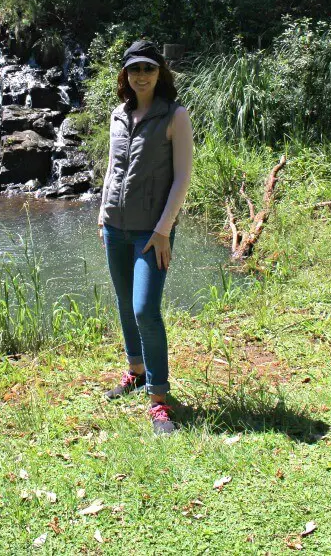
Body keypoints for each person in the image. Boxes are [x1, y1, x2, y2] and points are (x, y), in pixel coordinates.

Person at [97, 40, 193, 435]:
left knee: (144, 309)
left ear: (160, 73)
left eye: (148, 69)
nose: (141, 76)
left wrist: (163, 230)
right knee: (123, 302)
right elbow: (111, 169)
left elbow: (183, 178)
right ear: (125, 74)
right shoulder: (118, 115)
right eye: (135, 69)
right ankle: (135, 370)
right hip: (114, 227)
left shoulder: (175, 116)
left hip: (152, 233)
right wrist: (102, 214)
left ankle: (159, 400)